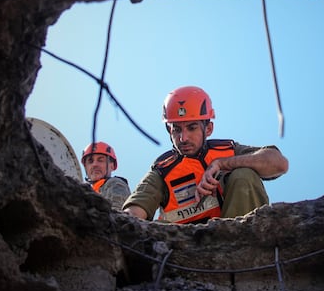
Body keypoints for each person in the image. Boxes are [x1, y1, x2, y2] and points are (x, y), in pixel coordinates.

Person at [123, 85, 288, 224]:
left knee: (244, 175)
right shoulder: (162, 170)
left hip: (235, 244)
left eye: (192, 127)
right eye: (177, 130)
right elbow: (134, 212)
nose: (183, 138)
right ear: (169, 131)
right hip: (182, 249)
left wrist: (221, 163)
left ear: (208, 129)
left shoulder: (227, 150)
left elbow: (279, 163)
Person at [81, 141, 130, 211]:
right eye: (90, 161)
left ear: (112, 165)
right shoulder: (86, 192)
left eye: (100, 160)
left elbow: (117, 213)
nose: (95, 164)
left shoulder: (115, 183)